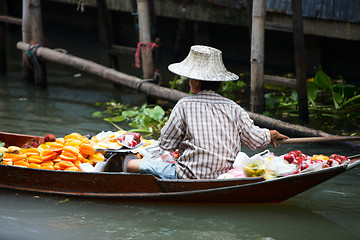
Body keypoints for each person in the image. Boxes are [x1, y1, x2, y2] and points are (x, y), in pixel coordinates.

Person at [124, 45, 288, 179]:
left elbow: (166, 144)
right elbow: (255, 139)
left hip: (189, 175)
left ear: (196, 81)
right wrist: (270, 134)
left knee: (135, 162)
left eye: (190, 78)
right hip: (224, 176)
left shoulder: (184, 105)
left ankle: (126, 164)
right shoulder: (233, 107)